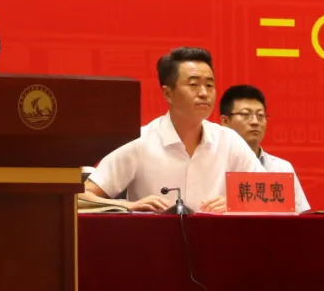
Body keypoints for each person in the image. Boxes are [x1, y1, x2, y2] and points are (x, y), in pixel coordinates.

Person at [80, 48, 262, 214]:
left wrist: (235, 202)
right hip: (155, 237)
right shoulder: (139, 142)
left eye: (209, 85)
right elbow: (82, 195)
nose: (204, 93)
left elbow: (272, 195)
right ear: (167, 93)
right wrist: (127, 205)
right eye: (193, 84)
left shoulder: (228, 141)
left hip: (215, 237)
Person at [220, 84, 311, 213]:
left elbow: (300, 216)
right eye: (245, 114)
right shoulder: (212, 164)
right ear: (225, 121)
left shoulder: (282, 168)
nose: (255, 122)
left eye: (260, 115)